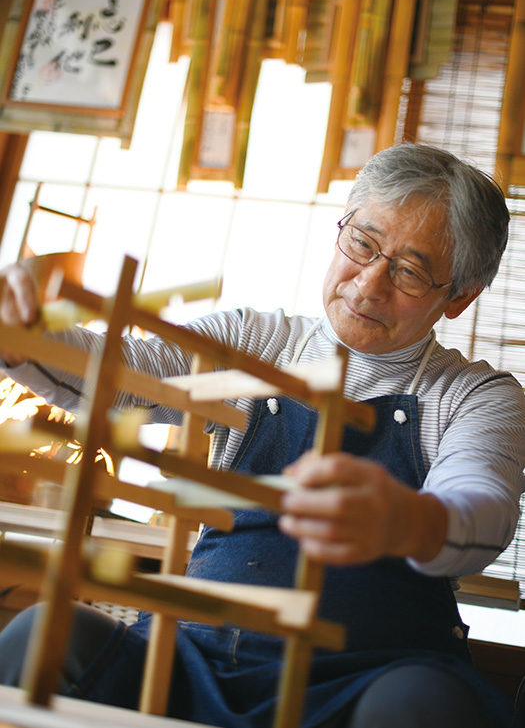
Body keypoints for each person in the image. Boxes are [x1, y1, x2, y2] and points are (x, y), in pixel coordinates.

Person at [0, 142, 524, 728]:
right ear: (341, 231)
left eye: (409, 270)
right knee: (46, 635)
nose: (370, 283)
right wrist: (21, 339)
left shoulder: (479, 396)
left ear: (459, 297)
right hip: (188, 658)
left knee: (426, 708)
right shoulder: (253, 341)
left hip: (363, 676)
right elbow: (120, 378)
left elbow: (484, 507)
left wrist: (406, 520)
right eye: (363, 244)